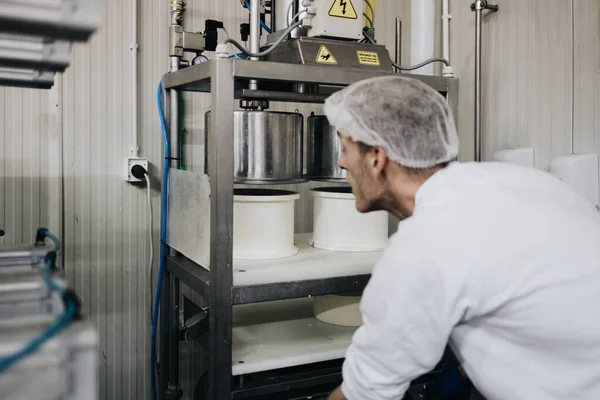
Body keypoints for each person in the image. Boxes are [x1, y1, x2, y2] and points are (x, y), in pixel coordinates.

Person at [324, 75, 600, 400]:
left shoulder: (423, 247)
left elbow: (365, 393)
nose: (341, 163)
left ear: (376, 158)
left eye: (344, 148)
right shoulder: (524, 182)